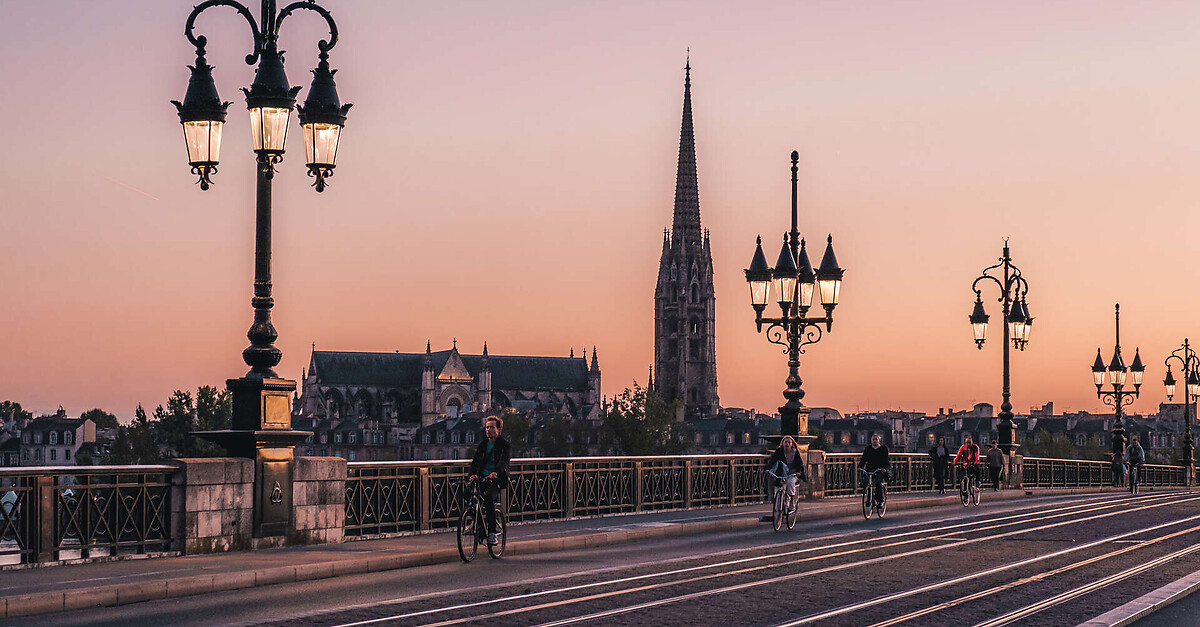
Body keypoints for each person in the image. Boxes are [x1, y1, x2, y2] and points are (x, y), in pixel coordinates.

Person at [468, 414, 511, 545]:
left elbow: (503, 462)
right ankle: (476, 524)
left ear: (499, 430)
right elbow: (475, 462)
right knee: (466, 494)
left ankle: (492, 533)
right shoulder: (483, 445)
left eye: (492, 427)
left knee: (488, 499)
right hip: (482, 478)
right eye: (487, 427)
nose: (488, 430)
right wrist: (472, 474)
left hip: (497, 480)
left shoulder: (504, 445)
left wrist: (495, 472)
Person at [765, 436, 809, 514]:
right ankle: (776, 501)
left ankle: (792, 501)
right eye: (785, 442)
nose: (787, 444)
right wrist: (768, 469)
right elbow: (772, 460)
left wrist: (799, 471)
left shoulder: (795, 452)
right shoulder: (779, 451)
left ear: (792, 444)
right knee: (778, 484)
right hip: (782, 472)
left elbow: (799, 463)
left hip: (793, 472)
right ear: (782, 443)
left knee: (790, 482)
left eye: (789, 442)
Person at [858, 433, 891, 505]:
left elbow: (886, 460)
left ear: (879, 440)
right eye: (873, 439)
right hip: (869, 469)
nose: (874, 441)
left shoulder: (883, 449)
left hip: (879, 469)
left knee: (878, 482)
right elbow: (864, 459)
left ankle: (880, 500)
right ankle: (869, 498)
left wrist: (884, 468)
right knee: (866, 482)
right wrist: (860, 467)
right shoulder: (868, 449)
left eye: (876, 439)